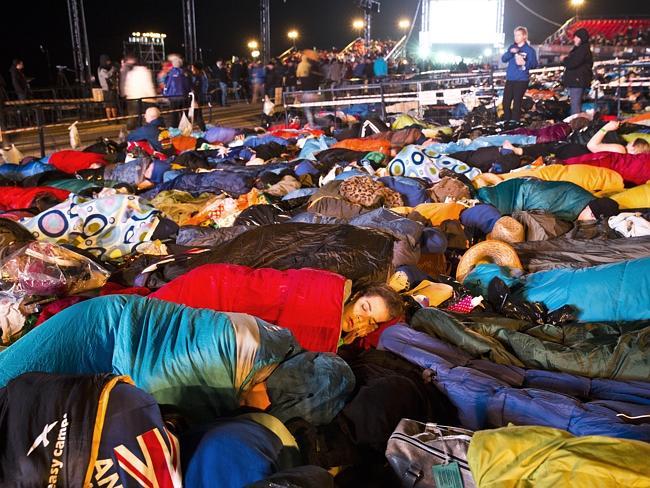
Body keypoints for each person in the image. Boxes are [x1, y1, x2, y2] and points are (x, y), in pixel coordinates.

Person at [501, 26, 538, 122]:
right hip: (510, 79)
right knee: (505, 103)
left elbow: (534, 64)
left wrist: (525, 63)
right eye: (515, 35)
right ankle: (507, 122)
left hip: (521, 80)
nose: (516, 37)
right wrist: (510, 52)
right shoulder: (512, 47)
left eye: (518, 35)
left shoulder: (529, 50)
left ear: (524, 36)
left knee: (517, 103)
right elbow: (504, 59)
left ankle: (514, 124)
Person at [563, 28, 593, 115]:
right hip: (577, 81)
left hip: (577, 81)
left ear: (580, 38)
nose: (574, 39)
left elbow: (572, 63)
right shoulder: (581, 49)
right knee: (575, 104)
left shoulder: (582, 50)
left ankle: (576, 125)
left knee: (575, 105)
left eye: (576, 37)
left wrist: (564, 59)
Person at [163, 54, 192, 127]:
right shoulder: (184, 73)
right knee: (184, 115)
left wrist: (165, 94)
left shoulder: (170, 73)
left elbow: (167, 85)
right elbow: (188, 85)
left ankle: (175, 131)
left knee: (174, 116)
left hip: (173, 97)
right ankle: (186, 130)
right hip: (183, 97)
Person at [97, 55, 119, 119]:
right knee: (111, 105)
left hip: (108, 89)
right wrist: (113, 69)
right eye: (107, 61)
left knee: (109, 105)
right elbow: (107, 75)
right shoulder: (101, 69)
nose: (109, 62)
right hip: (108, 89)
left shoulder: (103, 68)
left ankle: (111, 119)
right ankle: (113, 119)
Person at [191, 62, 209, 131]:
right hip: (200, 97)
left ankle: (204, 130)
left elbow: (196, 88)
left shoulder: (199, 77)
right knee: (198, 115)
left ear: (196, 69)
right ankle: (203, 129)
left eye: (193, 68)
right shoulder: (203, 75)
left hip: (198, 98)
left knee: (198, 115)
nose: (192, 70)